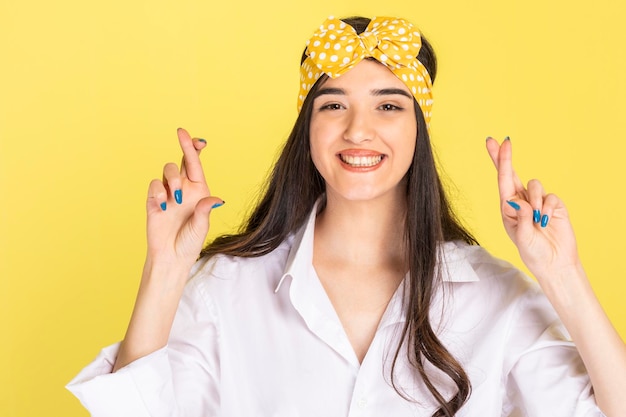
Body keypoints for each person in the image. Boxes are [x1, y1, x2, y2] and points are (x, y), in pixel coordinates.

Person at [67, 15, 626, 417]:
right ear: (306, 130)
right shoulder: (227, 287)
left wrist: (562, 275)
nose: (359, 130)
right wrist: (166, 265)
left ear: (418, 132)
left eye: (389, 105)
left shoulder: (496, 296)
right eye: (333, 104)